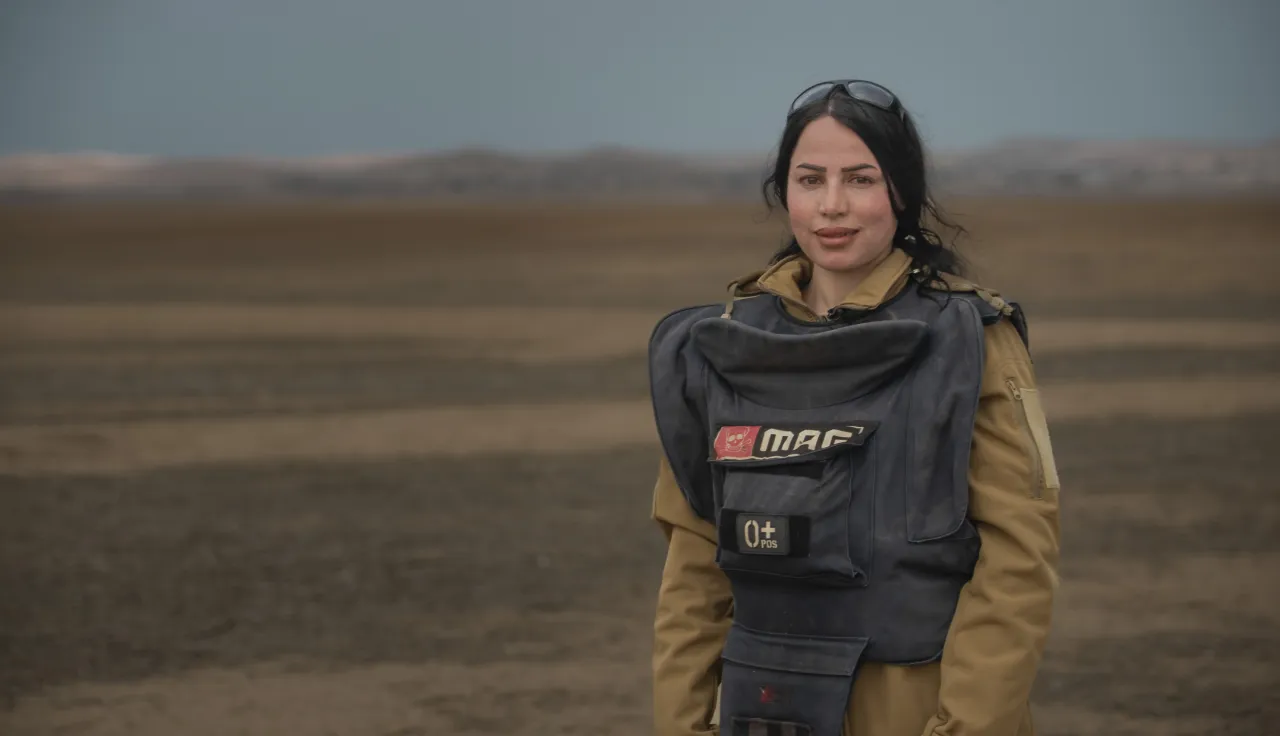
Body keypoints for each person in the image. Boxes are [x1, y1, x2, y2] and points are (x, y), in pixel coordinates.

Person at [647, 80, 1061, 736]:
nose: (832, 206)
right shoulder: (723, 346)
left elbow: (1018, 563)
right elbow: (695, 567)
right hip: (763, 707)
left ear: (900, 190)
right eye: (810, 180)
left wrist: (965, 727)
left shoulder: (971, 340)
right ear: (784, 191)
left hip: (916, 707)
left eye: (860, 179)